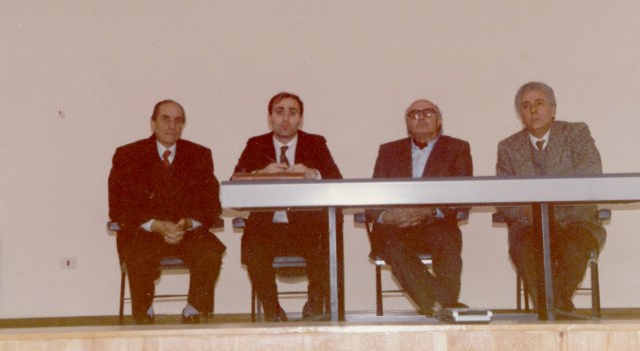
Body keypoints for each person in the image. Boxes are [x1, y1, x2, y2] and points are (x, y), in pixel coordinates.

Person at [108, 100, 226, 324]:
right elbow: (117, 207)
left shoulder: (199, 154)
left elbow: (212, 205)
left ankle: (194, 310)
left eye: (178, 120)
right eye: (165, 119)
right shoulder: (128, 154)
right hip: (145, 232)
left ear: (183, 125)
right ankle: (144, 312)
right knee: (138, 255)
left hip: (186, 232)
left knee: (211, 252)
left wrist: (189, 223)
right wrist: (156, 225)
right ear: (153, 123)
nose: (172, 125)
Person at [496, 81, 605, 315]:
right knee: (524, 249)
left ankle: (551, 312)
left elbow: (591, 170)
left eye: (539, 103)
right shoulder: (508, 147)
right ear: (520, 114)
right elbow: (503, 197)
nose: (533, 110)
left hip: (575, 221)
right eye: (526, 106)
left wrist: (542, 198)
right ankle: (562, 312)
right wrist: (525, 211)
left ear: (553, 109)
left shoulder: (576, 133)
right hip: (530, 226)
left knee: (573, 247)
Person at [233, 92, 342, 322]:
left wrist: (313, 174)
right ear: (270, 117)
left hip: (306, 227)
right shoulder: (256, 144)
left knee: (325, 245)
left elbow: (337, 182)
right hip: (267, 227)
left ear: (300, 119)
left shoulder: (315, 143)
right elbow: (234, 185)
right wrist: (260, 174)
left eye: (292, 113)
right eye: (279, 112)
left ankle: (315, 304)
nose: (285, 118)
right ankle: (273, 311)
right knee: (255, 250)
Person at [368, 99, 473, 316]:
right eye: (414, 114)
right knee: (391, 245)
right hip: (395, 227)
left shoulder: (457, 148)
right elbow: (374, 197)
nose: (421, 117)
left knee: (447, 240)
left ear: (439, 120)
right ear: (407, 124)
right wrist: (388, 216)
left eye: (428, 113)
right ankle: (446, 303)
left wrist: (428, 210)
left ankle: (435, 304)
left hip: (435, 222)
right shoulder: (389, 151)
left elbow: (463, 195)